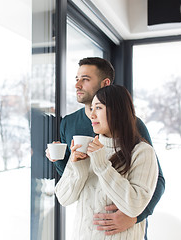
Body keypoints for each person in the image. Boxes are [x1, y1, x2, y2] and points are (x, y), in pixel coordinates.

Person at [46, 57, 165, 238]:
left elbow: (156, 181)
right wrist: (65, 161)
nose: (77, 85)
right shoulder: (68, 123)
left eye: (85, 79)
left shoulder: (136, 135)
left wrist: (135, 217)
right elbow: (69, 191)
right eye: (76, 79)